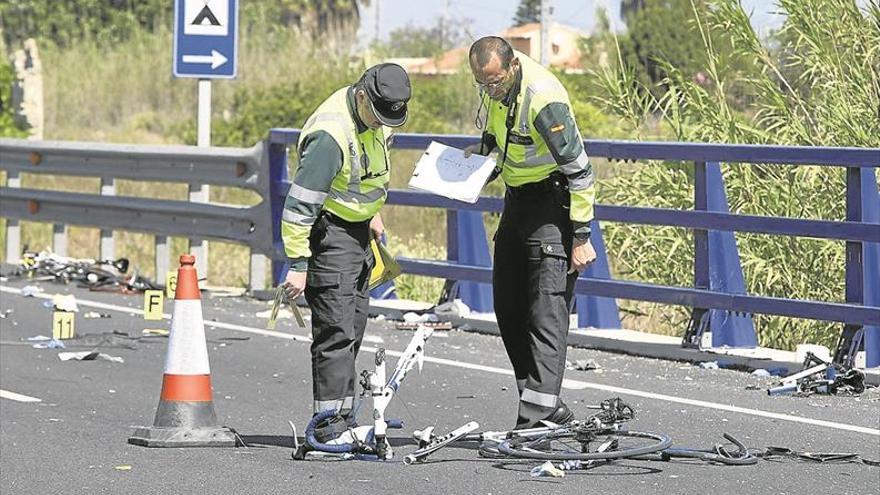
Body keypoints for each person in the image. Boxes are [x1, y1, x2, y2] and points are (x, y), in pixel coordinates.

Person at [464, 36, 597, 429]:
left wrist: (581, 237)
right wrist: (478, 159)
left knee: (546, 312)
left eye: (495, 82)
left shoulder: (543, 98)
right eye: (482, 83)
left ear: (513, 67)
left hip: (553, 207)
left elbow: (581, 171)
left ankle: (536, 419)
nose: (490, 89)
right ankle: (544, 405)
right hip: (517, 202)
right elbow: (498, 140)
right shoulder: (495, 89)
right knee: (508, 305)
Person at [280, 63, 411, 441]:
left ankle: (341, 418)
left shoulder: (379, 116)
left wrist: (373, 213)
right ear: (360, 96)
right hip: (330, 232)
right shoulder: (330, 135)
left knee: (353, 326)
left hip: (359, 232)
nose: (381, 124)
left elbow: (367, 172)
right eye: (378, 115)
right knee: (335, 330)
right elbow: (299, 207)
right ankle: (328, 427)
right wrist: (299, 265)